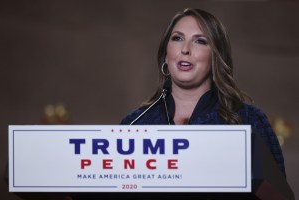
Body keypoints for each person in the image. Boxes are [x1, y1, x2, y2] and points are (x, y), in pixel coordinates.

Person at [120, 8, 286, 177]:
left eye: (199, 41)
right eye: (177, 38)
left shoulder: (248, 120)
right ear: (165, 55)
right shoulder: (134, 124)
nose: (185, 49)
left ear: (216, 57)